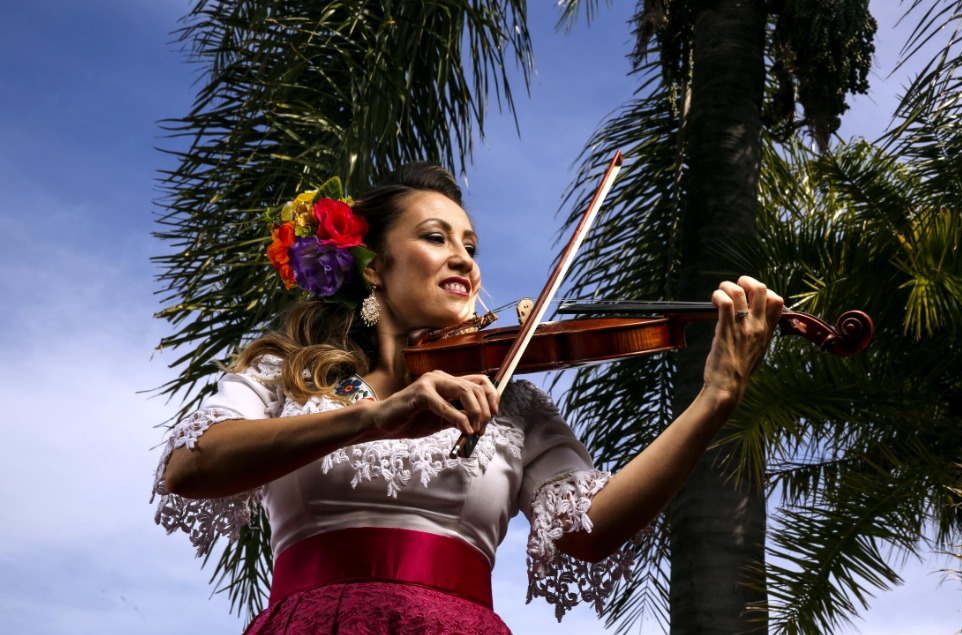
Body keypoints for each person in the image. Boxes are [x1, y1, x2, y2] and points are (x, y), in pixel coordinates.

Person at [151, 162, 784, 634]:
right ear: (373, 266)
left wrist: (716, 397)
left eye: (471, 246)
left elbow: (589, 532)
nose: (464, 259)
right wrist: (374, 418)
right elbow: (192, 464)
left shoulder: (513, 401)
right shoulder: (285, 372)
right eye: (436, 238)